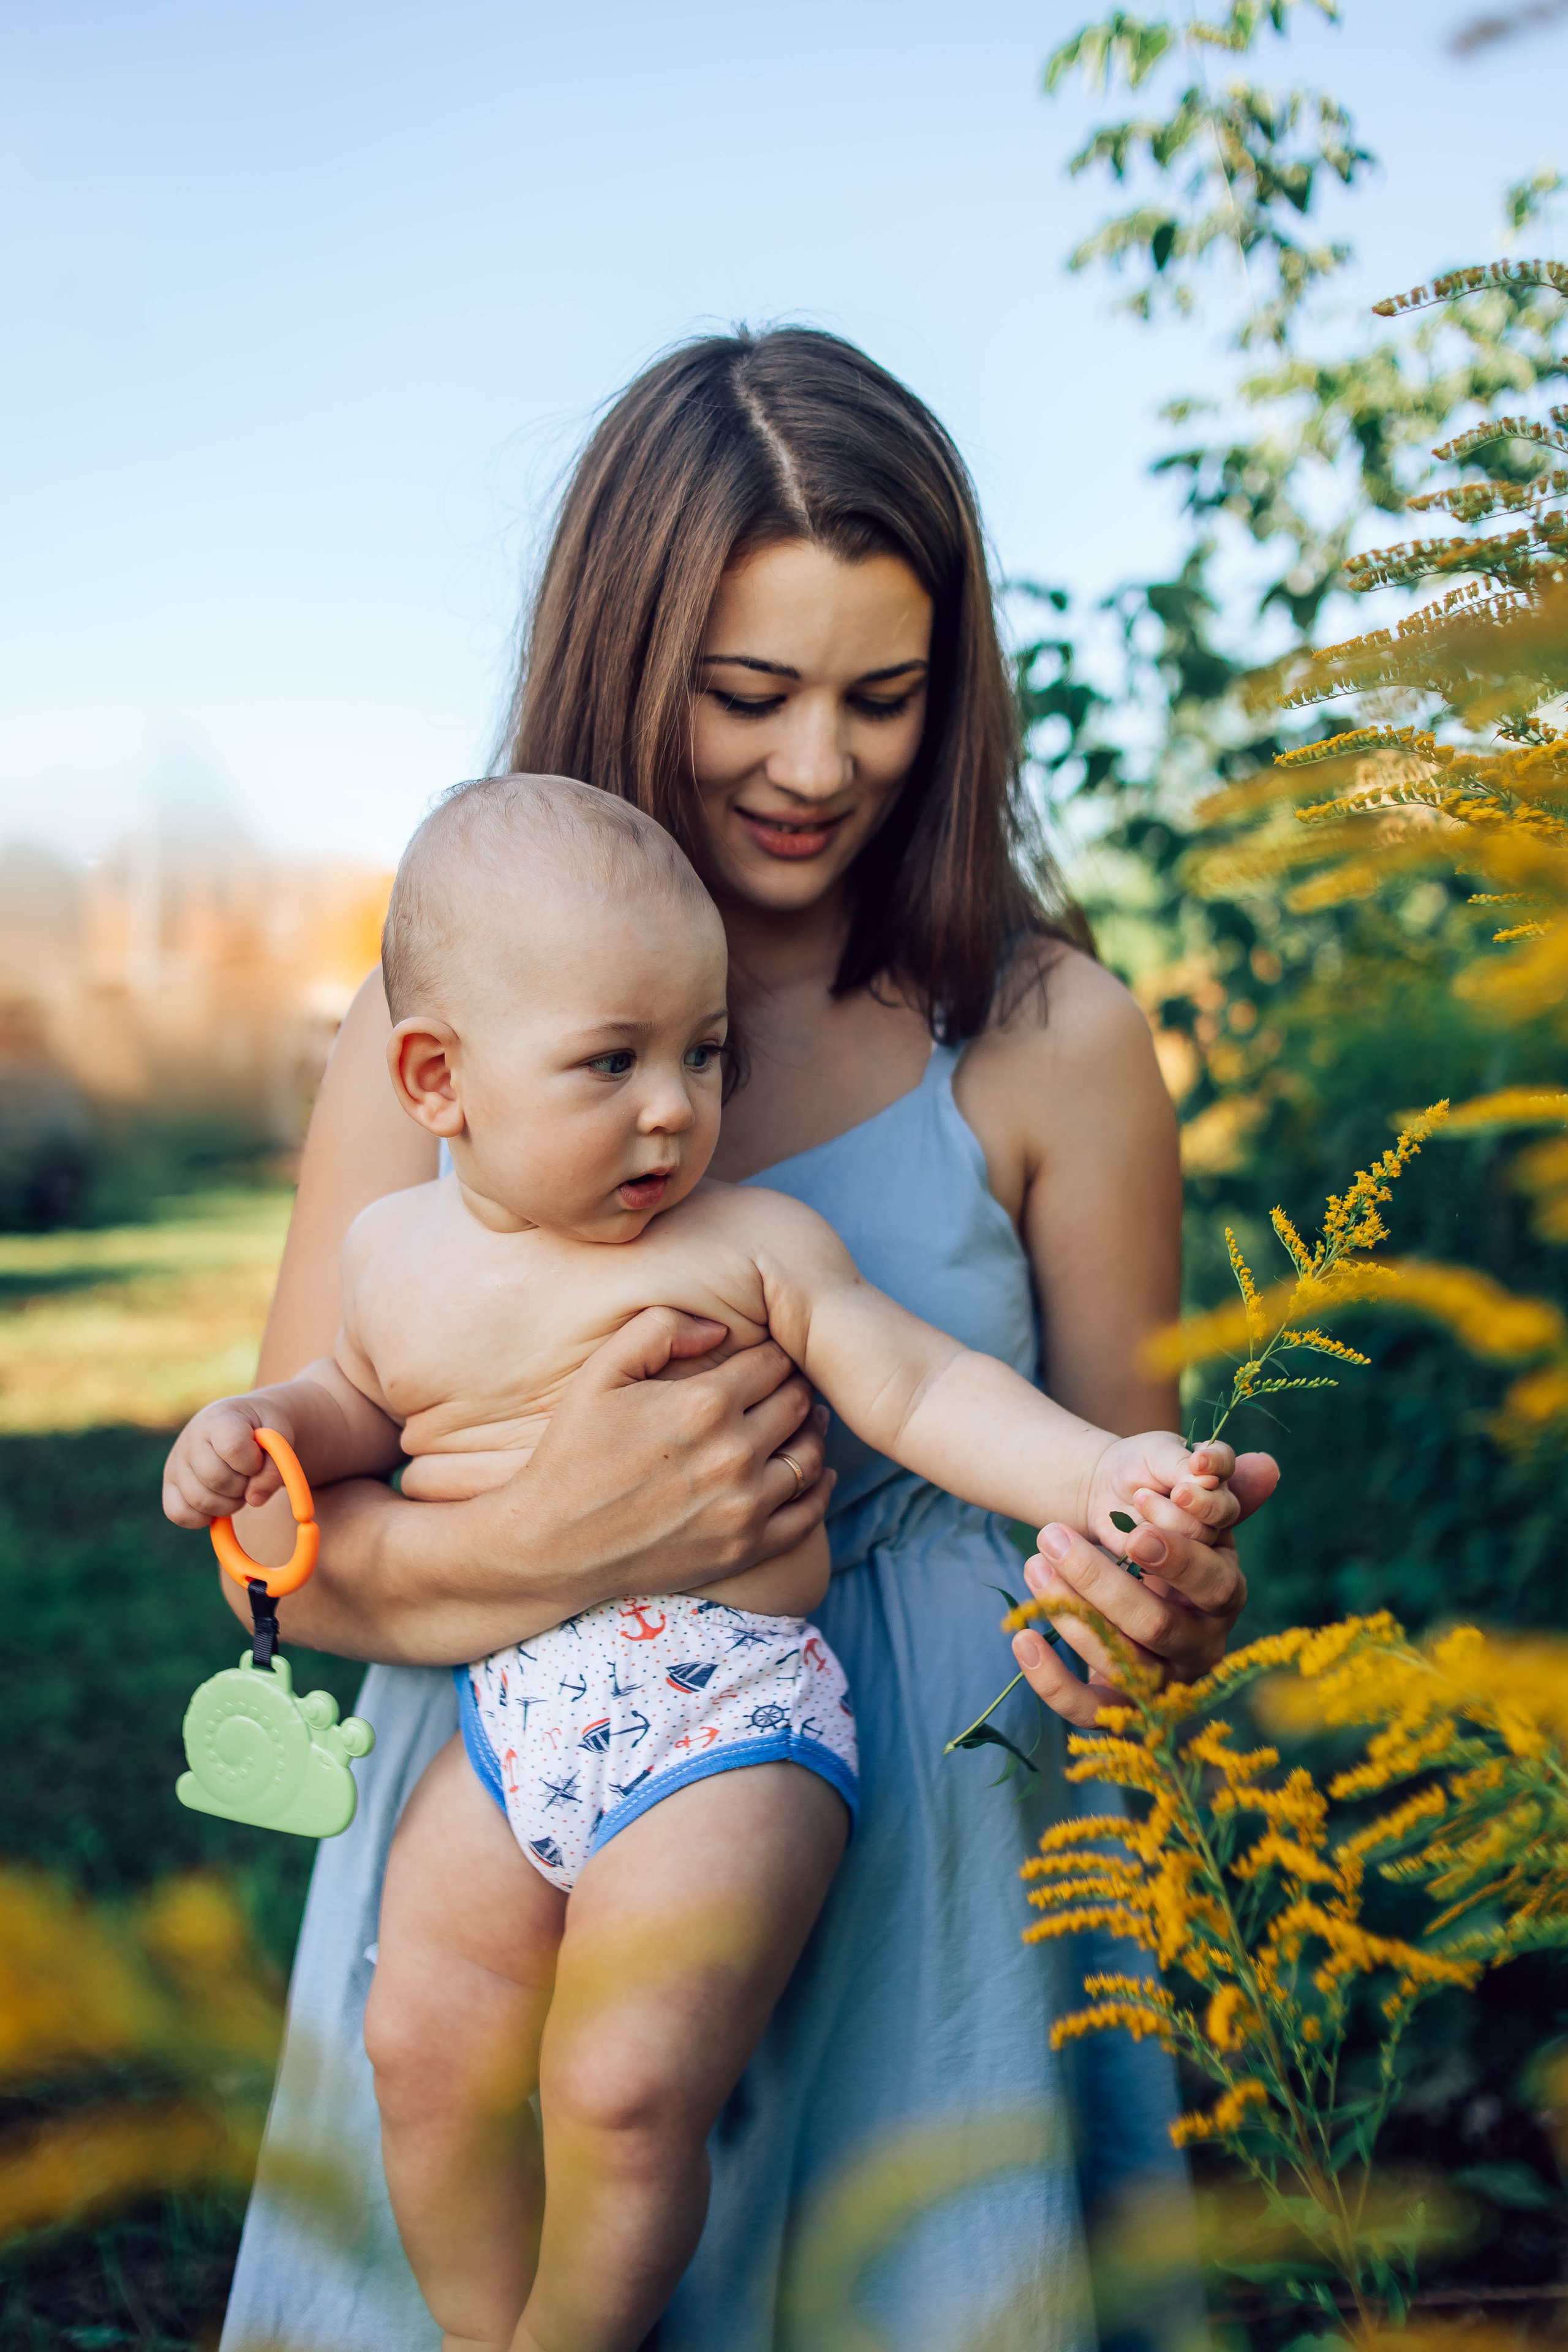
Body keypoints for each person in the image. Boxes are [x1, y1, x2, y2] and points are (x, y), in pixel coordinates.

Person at [216, 328, 1273, 2352]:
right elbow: (275, 1533)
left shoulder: (1050, 1039)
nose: (817, 766)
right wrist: (543, 1548)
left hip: (929, 1860)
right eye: (748, 693)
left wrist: (1162, 1584)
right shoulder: (423, 1038)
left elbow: (1117, 1505)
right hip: (510, 1795)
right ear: (631, 661)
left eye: (884, 698)